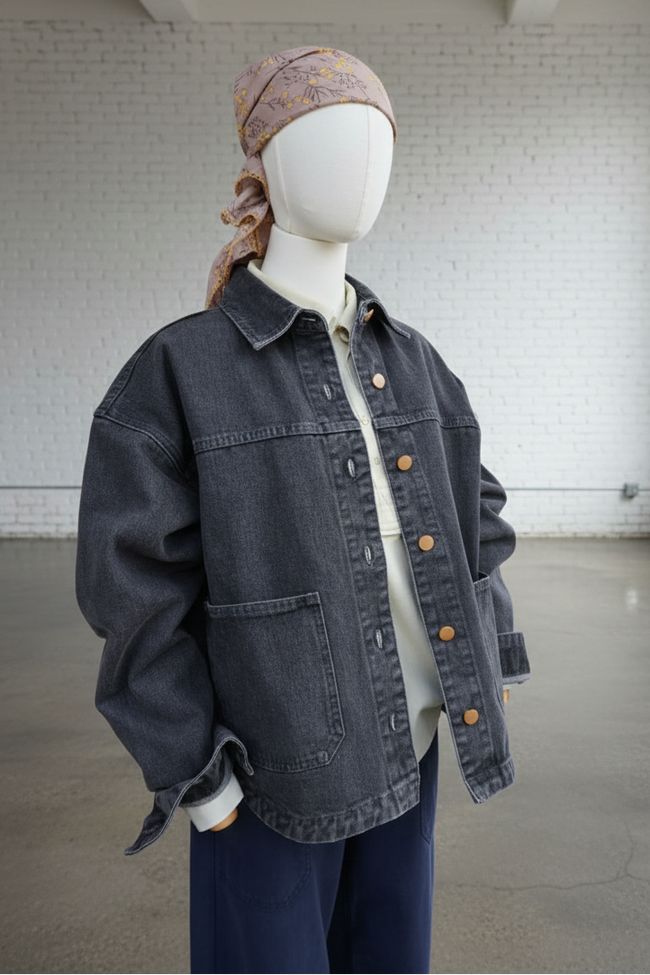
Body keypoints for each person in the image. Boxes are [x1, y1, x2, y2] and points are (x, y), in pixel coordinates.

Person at [76, 46, 530, 975]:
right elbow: (129, 588)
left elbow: (476, 511)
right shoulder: (181, 370)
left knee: (390, 957)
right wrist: (195, 774)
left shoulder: (413, 357)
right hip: (270, 771)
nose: (363, 167)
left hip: (411, 743)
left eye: (380, 143)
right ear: (268, 164)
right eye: (328, 139)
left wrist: (489, 657)